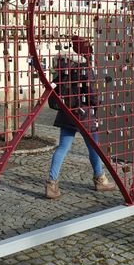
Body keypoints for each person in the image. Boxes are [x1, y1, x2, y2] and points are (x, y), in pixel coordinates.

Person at [45, 37, 116, 199]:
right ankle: (100, 179)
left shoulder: (65, 67)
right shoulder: (85, 67)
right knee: (94, 147)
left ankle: (51, 183)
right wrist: (98, 103)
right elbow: (92, 94)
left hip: (67, 113)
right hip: (85, 116)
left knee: (63, 147)